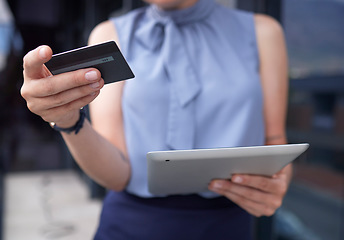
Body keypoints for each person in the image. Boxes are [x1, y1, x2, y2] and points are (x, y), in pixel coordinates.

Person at [21, 0, 290, 239]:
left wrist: (277, 183)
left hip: (229, 221)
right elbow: (118, 174)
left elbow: (274, 141)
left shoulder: (262, 32)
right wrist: (68, 119)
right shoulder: (111, 35)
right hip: (132, 224)